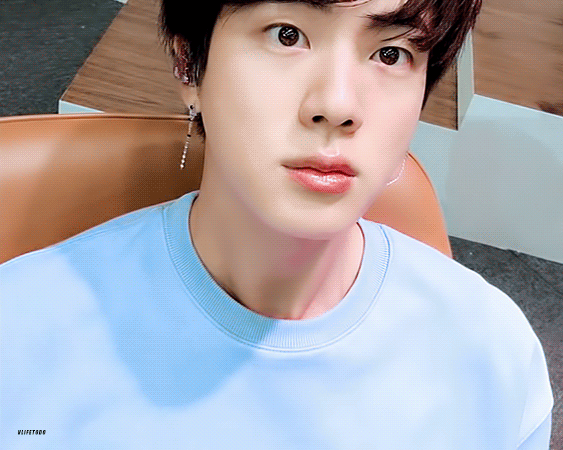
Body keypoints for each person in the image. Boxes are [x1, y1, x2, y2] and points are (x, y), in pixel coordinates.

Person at [0, 0, 553, 448]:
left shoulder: (492, 354)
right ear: (189, 64)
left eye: (391, 53)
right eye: (287, 35)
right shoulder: (22, 333)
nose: (338, 105)